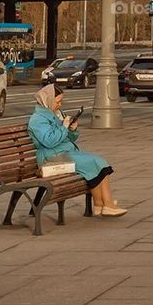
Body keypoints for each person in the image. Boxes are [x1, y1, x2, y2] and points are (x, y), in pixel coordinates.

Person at [28, 85, 126, 216]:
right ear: (47, 100)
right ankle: (106, 204)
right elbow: (49, 142)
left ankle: (100, 205)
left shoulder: (54, 114)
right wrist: (64, 127)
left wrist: (72, 130)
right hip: (51, 157)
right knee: (96, 162)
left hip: (63, 153)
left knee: (98, 162)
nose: (59, 104)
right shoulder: (38, 119)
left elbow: (66, 139)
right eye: (57, 101)